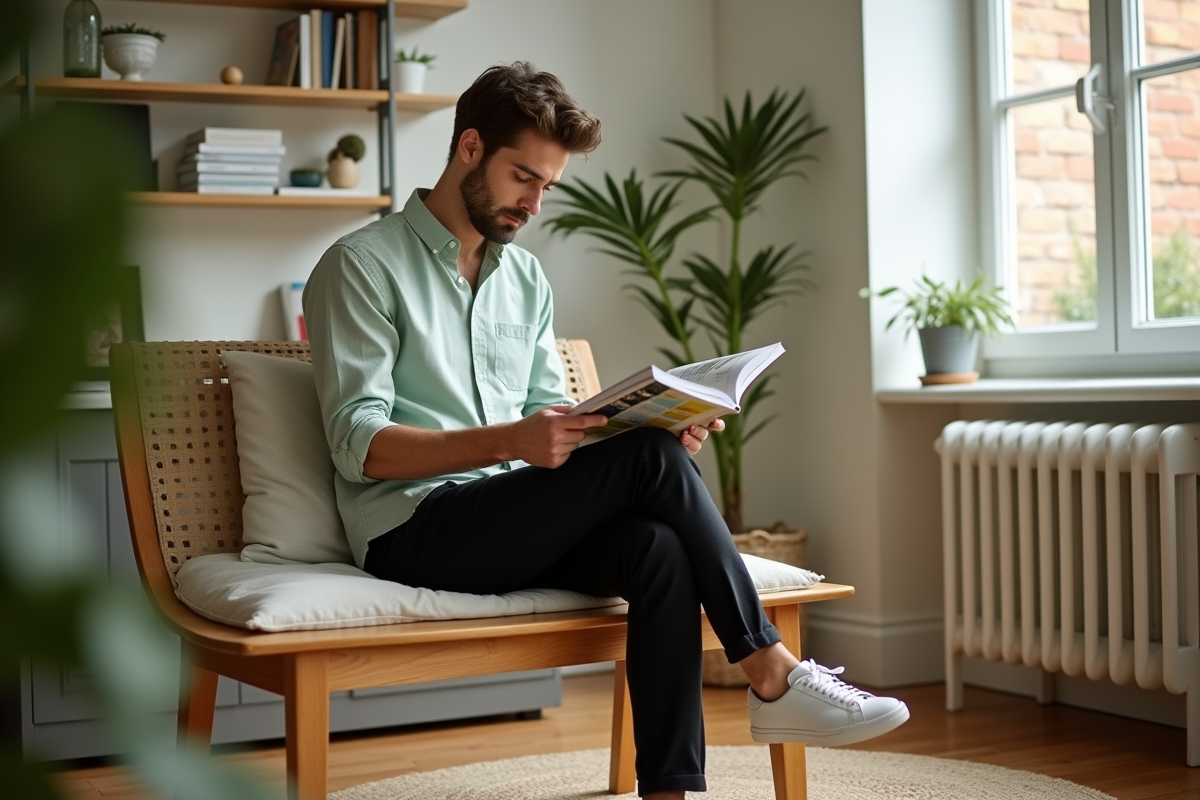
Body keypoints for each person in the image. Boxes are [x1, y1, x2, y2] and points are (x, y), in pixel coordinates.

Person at [304, 61, 908, 799]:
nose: (533, 202)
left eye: (547, 187)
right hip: (412, 529)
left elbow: (552, 422)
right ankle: (771, 673)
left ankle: (669, 792)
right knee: (650, 465)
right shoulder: (361, 266)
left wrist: (655, 429)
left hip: (511, 517)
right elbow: (358, 444)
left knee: (657, 549)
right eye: (523, 177)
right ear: (468, 148)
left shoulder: (523, 280)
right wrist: (513, 442)